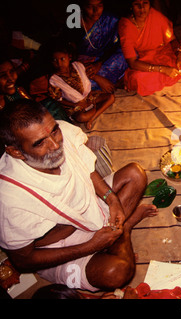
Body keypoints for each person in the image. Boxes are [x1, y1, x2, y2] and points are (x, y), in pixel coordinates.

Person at [0, 99, 158, 292]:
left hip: (91, 209)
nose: (55, 145)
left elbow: (86, 168)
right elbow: (23, 261)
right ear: (16, 151)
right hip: (58, 249)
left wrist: (111, 198)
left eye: (54, 131)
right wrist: (90, 246)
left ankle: (113, 237)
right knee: (116, 272)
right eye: (40, 143)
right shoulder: (9, 199)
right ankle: (124, 229)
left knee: (136, 174)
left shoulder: (63, 133)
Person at [118, 0, 181, 96]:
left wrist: (179, 55)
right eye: (137, 4)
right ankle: (171, 74)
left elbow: (172, 40)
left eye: (145, 3)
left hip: (165, 52)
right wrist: (163, 69)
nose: (142, 8)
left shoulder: (154, 15)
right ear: (131, 6)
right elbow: (132, 63)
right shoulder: (126, 26)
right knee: (138, 78)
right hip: (146, 61)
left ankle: (169, 74)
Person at [48, 40, 115, 130]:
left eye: (62, 59)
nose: (59, 64)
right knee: (81, 117)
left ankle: (92, 117)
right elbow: (58, 99)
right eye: (55, 61)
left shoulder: (78, 66)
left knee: (111, 97)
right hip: (76, 105)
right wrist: (74, 104)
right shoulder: (54, 80)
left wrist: (97, 80)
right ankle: (93, 111)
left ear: (69, 57)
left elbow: (90, 74)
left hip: (89, 97)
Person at [66, 0, 128, 93]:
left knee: (127, 53)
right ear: (82, 6)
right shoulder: (73, 21)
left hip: (105, 60)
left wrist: (99, 63)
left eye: (99, 5)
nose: (96, 11)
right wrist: (96, 77)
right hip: (83, 64)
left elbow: (116, 47)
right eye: (90, 7)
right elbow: (69, 54)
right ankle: (105, 82)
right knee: (76, 82)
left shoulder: (111, 19)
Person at [0, 55, 69, 122]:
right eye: (2, 75)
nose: (10, 78)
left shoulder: (16, 91)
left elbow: (32, 108)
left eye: (12, 71)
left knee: (51, 106)